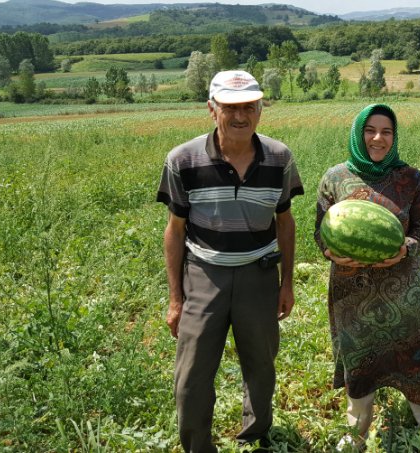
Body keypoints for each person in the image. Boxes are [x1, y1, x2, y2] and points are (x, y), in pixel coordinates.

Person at [156, 70, 304, 452]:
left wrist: (286, 283)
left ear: (260, 109)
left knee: (261, 365)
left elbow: (284, 222)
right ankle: (197, 446)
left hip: (259, 274)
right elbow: (175, 230)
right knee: (191, 374)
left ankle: (254, 437)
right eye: (230, 107)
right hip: (205, 275)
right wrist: (176, 298)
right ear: (211, 109)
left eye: (249, 107)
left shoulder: (280, 157)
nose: (240, 116)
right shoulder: (182, 160)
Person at [314, 104, 420, 450]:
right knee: (359, 361)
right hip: (351, 291)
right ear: (359, 133)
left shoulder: (411, 178)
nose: (378, 138)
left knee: (414, 360)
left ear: (394, 136)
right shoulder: (335, 178)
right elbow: (320, 231)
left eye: (386, 131)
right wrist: (330, 252)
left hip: (404, 290)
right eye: (370, 130)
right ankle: (357, 431)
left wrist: (406, 249)